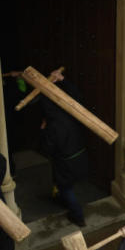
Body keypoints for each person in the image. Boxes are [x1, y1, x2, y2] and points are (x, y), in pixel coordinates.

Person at [38, 70, 89, 227]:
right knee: (67, 184)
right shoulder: (71, 112)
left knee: (65, 188)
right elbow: (76, 97)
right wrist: (63, 80)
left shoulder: (52, 126)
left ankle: (78, 216)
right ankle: (62, 197)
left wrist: (43, 131)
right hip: (80, 156)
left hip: (66, 163)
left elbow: (48, 148)